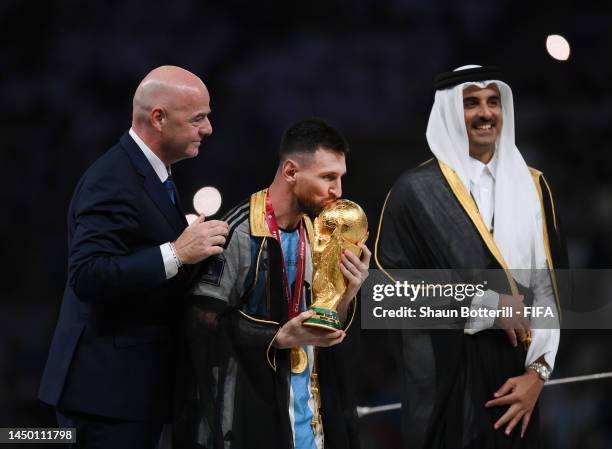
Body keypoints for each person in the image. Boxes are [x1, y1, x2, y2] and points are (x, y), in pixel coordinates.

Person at [375, 65, 568, 448]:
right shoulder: (414, 191)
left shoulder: (533, 185)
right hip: (444, 383)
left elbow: (551, 290)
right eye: (471, 103)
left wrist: (539, 373)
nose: (485, 113)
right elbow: (383, 294)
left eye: (493, 102)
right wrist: (483, 306)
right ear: (448, 112)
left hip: (518, 385)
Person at [38, 66, 229, 449]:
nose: (208, 128)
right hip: (105, 399)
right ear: (158, 118)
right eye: (198, 118)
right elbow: (88, 275)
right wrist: (177, 252)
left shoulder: (153, 173)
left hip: (130, 393)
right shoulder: (112, 178)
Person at [179, 118, 370, 449]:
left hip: (308, 416)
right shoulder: (236, 233)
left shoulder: (318, 235)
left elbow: (324, 326)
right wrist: (277, 337)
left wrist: (347, 293)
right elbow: (200, 321)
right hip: (246, 418)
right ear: (291, 172)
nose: (337, 191)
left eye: (340, 178)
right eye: (328, 177)